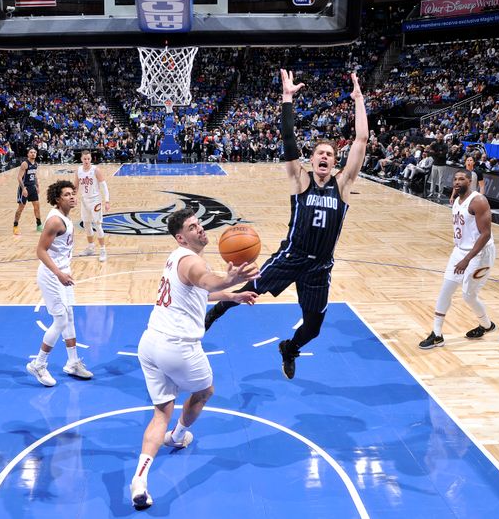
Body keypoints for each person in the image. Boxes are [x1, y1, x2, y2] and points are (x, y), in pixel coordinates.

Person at [203, 69, 369, 380]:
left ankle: (290, 348)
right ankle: (216, 311)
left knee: (314, 328)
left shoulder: (343, 185)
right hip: (290, 257)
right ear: (312, 158)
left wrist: (359, 100)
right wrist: (287, 98)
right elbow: (288, 137)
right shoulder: (300, 180)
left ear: (335, 162)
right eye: (320, 152)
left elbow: (361, 138)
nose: (324, 157)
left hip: (320, 267)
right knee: (250, 289)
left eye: (330, 155)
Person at [129, 208, 258, 510]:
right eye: (192, 227)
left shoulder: (177, 258)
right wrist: (228, 279)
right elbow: (206, 280)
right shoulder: (192, 260)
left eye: (199, 224)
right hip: (177, 347)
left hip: (149, 343)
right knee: (204, 391)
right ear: (180, 237)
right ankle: (179, 435)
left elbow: (198, 291)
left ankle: (140, 479)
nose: (199, 229)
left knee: (161, 411)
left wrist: (231, 294)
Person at [26, 180, 94, 386]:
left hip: (62, 272)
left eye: (72, 193)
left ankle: (73, 362)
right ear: (57, 199)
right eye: (66, 194)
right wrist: (58, 274)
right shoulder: (55, 221)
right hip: (51, 274)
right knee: (61, 321)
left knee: (69, 317)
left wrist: (64, 272)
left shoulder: (66, 217)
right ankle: (39, 364)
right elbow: (40, 251)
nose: (72, 196)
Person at [420, 171, 497, 349]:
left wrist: (467, 259)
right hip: (460, 251)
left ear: (470, 181)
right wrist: (461, 255)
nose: (457, 181)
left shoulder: (478, 201)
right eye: (454, 178)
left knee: (468, 295)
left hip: (480, 254)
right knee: (445, 289)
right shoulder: (456, 200)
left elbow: (486, 235)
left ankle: (486, 325)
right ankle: (437, 334)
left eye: (461, 179)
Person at [76, 149, 110, 261]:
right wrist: (73, 197)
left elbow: (104, 186)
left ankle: (103, 250)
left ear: (91, 159)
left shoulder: (96, 170)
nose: (86, 161)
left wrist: (107, 201)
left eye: (88, 159)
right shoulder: (79, 170)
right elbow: (75, 186)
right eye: (84, 159)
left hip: (95, 200)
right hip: (84, 200)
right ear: (81, 159)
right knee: (86, 224)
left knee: (97, 224)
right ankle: (91, 247)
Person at [13, 148, 43, 235]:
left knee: (37, 207)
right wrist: (23, 189)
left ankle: (39, 225)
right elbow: (19, 177)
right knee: (20, 208)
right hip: (24, 188)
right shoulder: (25, 164)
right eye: (31, 152)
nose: (33, 154)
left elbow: (35, 175)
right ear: (28, 154)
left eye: (34, 152)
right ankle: (15, 226)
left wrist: (37, 186)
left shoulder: (36, 164)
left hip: (32, 188)